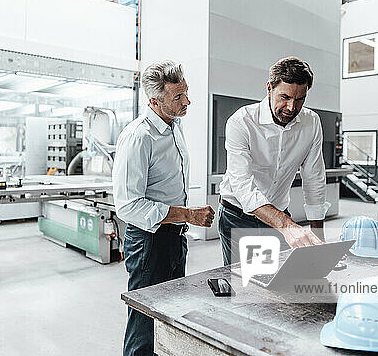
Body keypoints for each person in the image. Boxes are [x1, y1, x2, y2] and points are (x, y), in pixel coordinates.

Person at [112, 60, 215, 356]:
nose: (188, 101)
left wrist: (183, 220)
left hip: (174, 238)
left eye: (186, 93)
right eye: (178, 97)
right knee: (144, 325)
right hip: (148, 243)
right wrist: (188, 215)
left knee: (169, 316)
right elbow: (129, 205)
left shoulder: (174, 126)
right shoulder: (138, 137)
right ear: (154, 101)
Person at [218, 56, 329, 266]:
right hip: (237, 215)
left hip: (278, 215)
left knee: (279, 281)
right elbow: (243, 186)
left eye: (300, 99)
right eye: (284, 97)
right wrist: (287, 225)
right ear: (269, 88)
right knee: (245, 285)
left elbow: (314, 178)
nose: (291, 107)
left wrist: (318, 236)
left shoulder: (311, 122)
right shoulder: (241, 122)